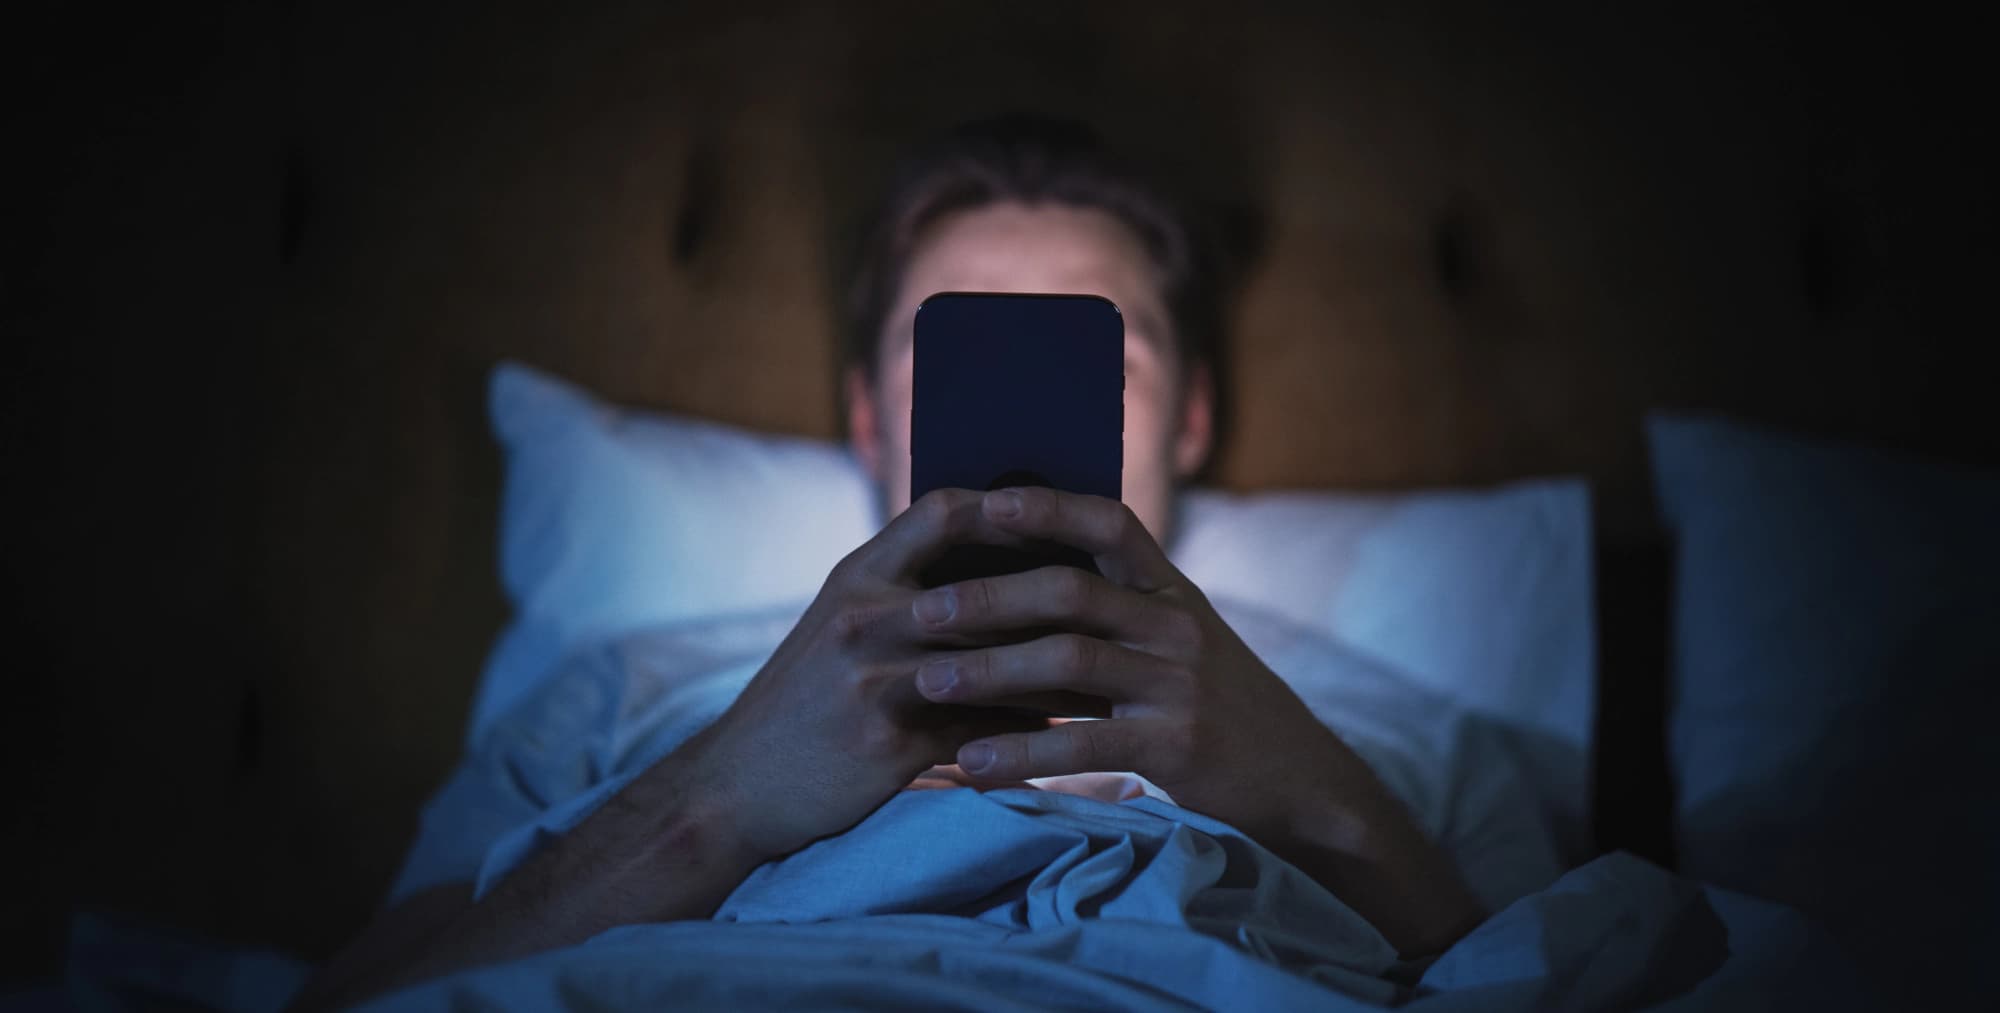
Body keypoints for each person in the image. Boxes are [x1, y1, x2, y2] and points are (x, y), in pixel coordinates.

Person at [287, 116, 1560, 1011]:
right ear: (865, 416)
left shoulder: (1403, 741)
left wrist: (1317, 804)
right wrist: (716, 798)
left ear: (1185, 421)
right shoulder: (631, 696)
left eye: (1095, 361)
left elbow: (1562, 986)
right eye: (948, 356)